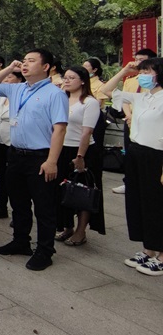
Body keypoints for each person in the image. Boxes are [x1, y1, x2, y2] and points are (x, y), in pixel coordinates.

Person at [0, 49, 68, 271]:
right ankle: (21, 241)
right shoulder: (17, 88)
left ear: (46, 67)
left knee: (43, 207)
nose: (25, 64)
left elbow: (59, 129)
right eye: (23, 61)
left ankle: (45, 250)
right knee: (19, 203)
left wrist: (52, 161)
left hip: (40, 157)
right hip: (16, 154)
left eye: (31, 61)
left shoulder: (55, 93)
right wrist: (8, 69)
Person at [101, 57, 163, 276]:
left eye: (148, 71)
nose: (143, 75)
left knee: (156, 204)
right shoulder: (141, 97)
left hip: (157, 157)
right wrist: (124, 70)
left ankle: (162, 255)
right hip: (136, 152)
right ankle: (148, 249)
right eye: (142, 71)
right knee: (138, 202)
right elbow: (107, 90)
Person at [55, 66, 105, 246]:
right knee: (62, 190)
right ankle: (66, 226)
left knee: (83, 191)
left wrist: (80, 156)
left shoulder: (89, 102)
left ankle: (80, 231)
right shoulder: (62, 98)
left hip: (81, 151)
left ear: (83, 80)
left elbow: (87, 132)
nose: (66, 81)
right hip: (61, 148)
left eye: (71, 78)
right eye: (65, 78)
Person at [113, 48, 157, 194]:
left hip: (147, 122)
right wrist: (129, 116)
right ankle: (129, 181)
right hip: (130, 119)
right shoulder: (131, 81)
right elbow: (124, 100)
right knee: (129, 151)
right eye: (136, 59)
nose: (138, 63)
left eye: (142, 60)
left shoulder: (153, 84)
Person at [0, 68, 24, 220]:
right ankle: (1, 206)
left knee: (14, 177)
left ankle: (18, 213)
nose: (6, 79)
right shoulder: (2, 94)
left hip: (14, 137)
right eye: (4, 77)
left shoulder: (21, 93)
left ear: (19, 79)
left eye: (10, 77)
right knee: (1, 174)